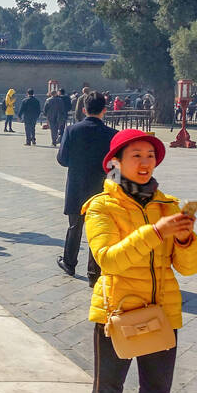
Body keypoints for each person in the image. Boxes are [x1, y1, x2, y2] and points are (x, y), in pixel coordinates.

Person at [84, 129, 197, 393]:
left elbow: (190, 269)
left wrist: (184, 240)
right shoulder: (102, 206)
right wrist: (155, 232)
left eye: (150, 155)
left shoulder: (168, 206)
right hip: (117, 314)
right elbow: (109, 259)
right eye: (136, 155)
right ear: (115, 162)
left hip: (161, 315)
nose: (145, 161)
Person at [56, 91, 117, 282]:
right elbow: (116, 165)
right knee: (98, 230)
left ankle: (69, 263)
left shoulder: (71, 130)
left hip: (77, 186)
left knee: (75, 226)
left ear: (84, 110)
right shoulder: (113, 135)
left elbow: (62, 159)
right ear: (104, 111)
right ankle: (94, 273)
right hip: (101, 188)